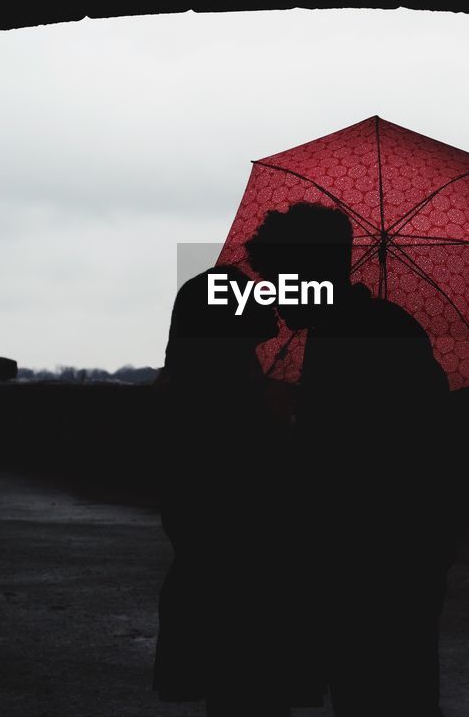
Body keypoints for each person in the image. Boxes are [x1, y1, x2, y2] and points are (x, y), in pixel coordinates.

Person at [245, 202, 454, 717]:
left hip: (375, 554)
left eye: (279, 281)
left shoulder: (355, 338)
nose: (274, 297)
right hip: (399, 549)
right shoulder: (369, 329)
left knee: (376, 688)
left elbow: (347, 462)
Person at [152, 266, 323, 716]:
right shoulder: (237, 404)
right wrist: (282, 425)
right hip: (251, 592)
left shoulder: (183, 396)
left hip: (209, 587)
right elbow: (269, 499)